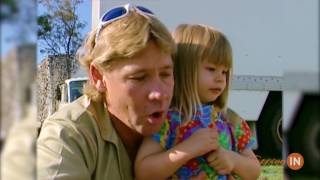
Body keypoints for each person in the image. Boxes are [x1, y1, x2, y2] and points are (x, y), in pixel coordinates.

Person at [37, 4, 176, 179]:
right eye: (139, 77)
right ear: (98, 77)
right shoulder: (67, 135)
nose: (160, 93)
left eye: (166, 74)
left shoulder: (188, 124)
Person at [135, 24, 261, 179]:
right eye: (211, 69)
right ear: (184, 68)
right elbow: (144, 172)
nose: (220, 78)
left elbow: (254, 171)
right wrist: (187, 149)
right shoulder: (166, 120)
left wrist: (233, 160)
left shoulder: (230, 120)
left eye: (224, 71)